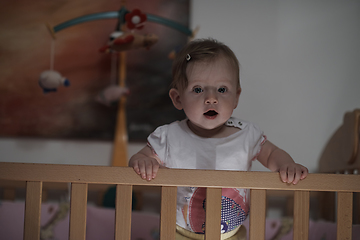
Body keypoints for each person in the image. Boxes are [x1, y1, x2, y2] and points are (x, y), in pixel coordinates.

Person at [129, 38, 308, 239]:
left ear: (236, 97)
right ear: (178, 98)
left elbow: (272, 153)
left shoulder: (246, 134)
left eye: (222, 89)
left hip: (232, 234)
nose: (211, 98)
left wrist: (287, 165)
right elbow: (141, 157)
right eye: (198, 89)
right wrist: (143, 161)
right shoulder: (169, 136)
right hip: (179, 232)